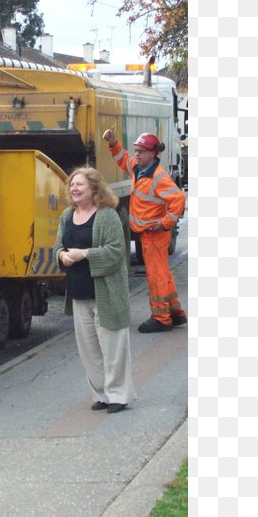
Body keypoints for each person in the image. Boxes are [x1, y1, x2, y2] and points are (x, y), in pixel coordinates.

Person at [53, 167, 135, 414]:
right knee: (89, 349)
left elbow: (115, 252)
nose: (74, 189)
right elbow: (58, 246)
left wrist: (85, 254)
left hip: (107, 293)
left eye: (79, 185)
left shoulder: (107, 215)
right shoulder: (67, 216)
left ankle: (119, 395)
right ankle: (101, 394)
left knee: (113, 348)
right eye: (72, 185)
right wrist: (61, 256)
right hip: (79, 293)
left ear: (94, 189)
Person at [102, 129, 187, 333]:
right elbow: (124, 159)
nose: (137, 154)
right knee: (163, 273)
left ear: (152, 154)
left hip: (155, 235)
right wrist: (114, 143)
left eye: (141, 151)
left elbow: (178, 199)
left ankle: (161, 318)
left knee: (156, 276)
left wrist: (166, 222)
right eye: (136, 151)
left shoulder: (158, 177)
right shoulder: (139, 170)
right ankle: (175, 312)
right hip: (150, 235)